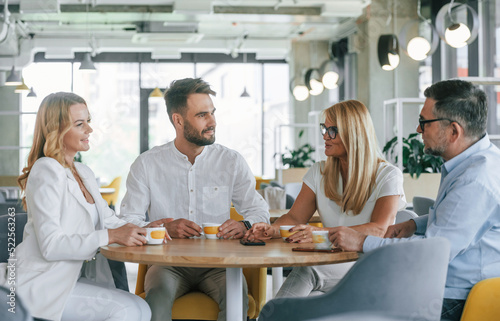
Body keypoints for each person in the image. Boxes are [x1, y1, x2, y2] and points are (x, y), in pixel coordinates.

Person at [330, 80, 500, 321]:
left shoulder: (475, 179)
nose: (418, 130)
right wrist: (414, 224)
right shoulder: (474, 163)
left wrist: (362, 241)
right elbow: (456, 218)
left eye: (424, 122)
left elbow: (432, 252)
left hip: (455, 298)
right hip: (446, 289)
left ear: (454, 131)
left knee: (356, 310)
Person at [120, 77, 270, 321]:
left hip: (220, 264)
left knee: (237, 301)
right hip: (166, 264)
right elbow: (128, 221)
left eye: (212, 113)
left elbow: (260, 212)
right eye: (202, 115)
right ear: (178, 120)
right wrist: (161, 227)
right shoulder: (146, 164)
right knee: (155, 301)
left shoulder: (230, 161)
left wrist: (244, 225)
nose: (212, 122)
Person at [0, 92, 152, 321]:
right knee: (128, 309)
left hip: (71, 279)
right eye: (80, 124)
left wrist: (154, 228)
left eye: (88, 121)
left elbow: (110, 221)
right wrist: (110, 236)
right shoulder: (46, 170)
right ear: (56, 131)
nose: (89, 130)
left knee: (140, 307)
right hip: (42, 283)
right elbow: (51, 245)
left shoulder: (84, 172)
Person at [245, 100, 406, 298]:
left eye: (332, 130)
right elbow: (295, 218)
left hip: (369, 265)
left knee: (307, 270)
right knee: (307, 273)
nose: (325, 136)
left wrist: (319, 233)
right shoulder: (319, 172)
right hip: (332, 263)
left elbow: (379, 229)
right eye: (325, 129)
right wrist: (273, 229)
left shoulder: (388, 175)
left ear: (353, 134)